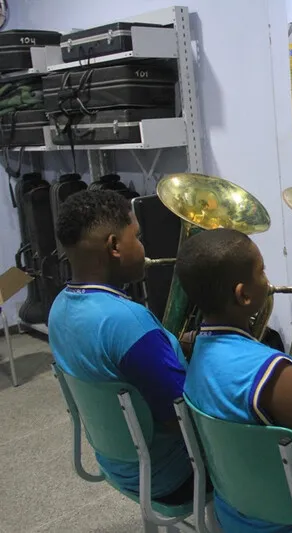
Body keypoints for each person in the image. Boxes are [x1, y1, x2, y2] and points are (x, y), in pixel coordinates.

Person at [176, 228, 292, 533]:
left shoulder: (192, 350)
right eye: (261, 271)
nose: (267, 279)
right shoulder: (275, 371)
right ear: (243, 294)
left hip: (234, 516)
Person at [48, 189, 195, 503]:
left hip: (118, 464)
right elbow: (181, 417)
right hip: (172, 475)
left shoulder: (59, 308)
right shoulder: (128, 323)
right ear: (115, 245)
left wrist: (168, 346)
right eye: (137, 237)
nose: (143, 248)